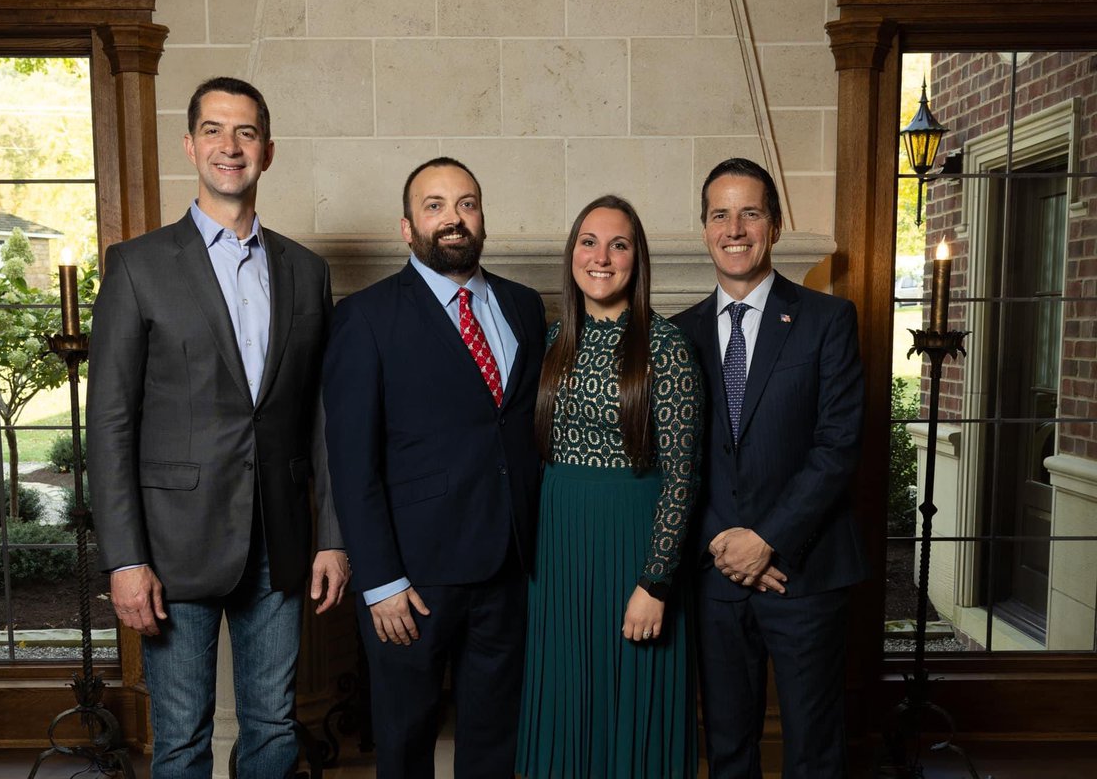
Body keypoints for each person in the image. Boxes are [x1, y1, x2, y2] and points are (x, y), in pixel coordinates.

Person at [87, 76, 350, 779]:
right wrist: (123, 559)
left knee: (272, 731)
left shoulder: (306, 270)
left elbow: (321, 416)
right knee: (180, 738)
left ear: (268, 150)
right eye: (213, 130)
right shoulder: (137, 267)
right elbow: (109, 422)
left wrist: (331, 537)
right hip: (173, 546)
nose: (229, 147)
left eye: (245, 133)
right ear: (189, 145)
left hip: (281, 539)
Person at [322, 157, 546, 778]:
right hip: (413, 582)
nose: (454, 218)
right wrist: (382, 582)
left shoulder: (524, 307)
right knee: (405, 740)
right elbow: (351, 462)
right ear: (407, 226)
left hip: (508, 568)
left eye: (467, 203)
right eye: (435, 205)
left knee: (496, 740)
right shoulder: (365, 317)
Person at [672, 157, 866, 778]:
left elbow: (836, 447)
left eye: (750, 212)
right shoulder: (676, 336)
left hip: (805, 573)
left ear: (774, 225)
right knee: (728, 748)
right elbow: (672, 463)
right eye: (720, 214)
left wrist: (767, 541)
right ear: (703, 228)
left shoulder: (826, 321)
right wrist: (723, 546)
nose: (735, 228)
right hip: (714, 576)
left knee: (816, 750)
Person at [516, 195, 702, 778]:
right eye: (588, 242)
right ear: (572, 254)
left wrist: (655, 581)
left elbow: (683, 479)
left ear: (637, 259)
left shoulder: (666, 348)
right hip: (559, 553)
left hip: (632, 551)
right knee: (566, 700)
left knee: (632, 710)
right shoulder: (549, 343)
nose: (601, 256)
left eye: (618, 244)